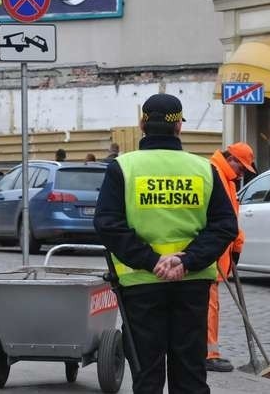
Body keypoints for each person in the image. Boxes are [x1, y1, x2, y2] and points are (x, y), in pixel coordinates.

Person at [94, 93, 238, 394]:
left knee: (147, 374)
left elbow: (108, 225)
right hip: (192, 284)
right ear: (179, 128)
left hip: (141, 284)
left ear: (142, 124)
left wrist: (151, 260)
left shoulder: (123, 167)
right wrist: (187, 260)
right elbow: (225, 227)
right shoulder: (204, 169)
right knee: (190, 374)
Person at [206, 142, 256, 372]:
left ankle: (209, 352)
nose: (242, 172)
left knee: (211, 307)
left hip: (219, 254)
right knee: (208, 307)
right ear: (231, 158)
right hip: (211, 256)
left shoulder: (226, 179)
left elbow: (231, 220)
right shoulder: (213, 174)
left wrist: (237, 246)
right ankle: (208, 355)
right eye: (242, 167)